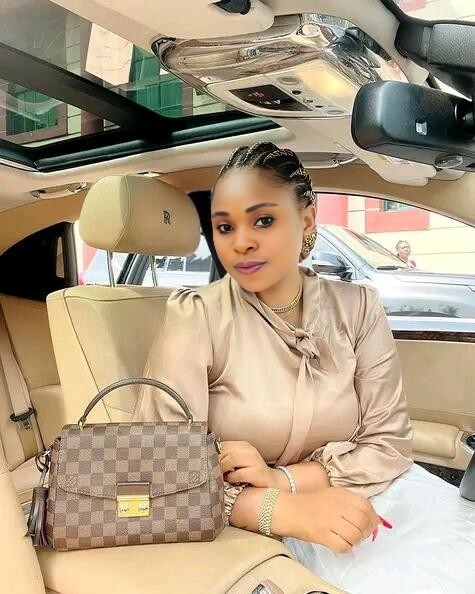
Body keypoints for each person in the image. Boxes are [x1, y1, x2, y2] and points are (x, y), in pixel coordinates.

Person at [135, 143, 474, 594]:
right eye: (224, 226)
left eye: (263, 220)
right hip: (260, 526)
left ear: (308, 220)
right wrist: (277, 508)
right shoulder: (197, 316)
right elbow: (158, 474)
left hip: (384, 494)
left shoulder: (358, 307)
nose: (240, 242)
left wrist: (285, 480)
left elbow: (389, 443)